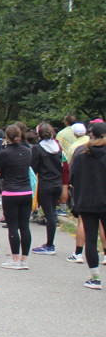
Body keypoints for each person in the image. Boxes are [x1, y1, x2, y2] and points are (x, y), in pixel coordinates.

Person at [69, 121, 106, 290]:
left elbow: (73, 178)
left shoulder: (81, 153)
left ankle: (95, 277)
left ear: (91, 135)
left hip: (87, 201)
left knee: (90, 240)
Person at [0, 124, 32, 269]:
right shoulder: (28, 151)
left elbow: (0, 172)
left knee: (13, 227)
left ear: (7, 136)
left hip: (10, 191)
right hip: (26, 191)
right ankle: (24, 259)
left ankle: (15, 259)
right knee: (25, 226)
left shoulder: (5, 153)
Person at [31, 123, 63, 255]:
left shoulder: (38, 148)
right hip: (57, 183)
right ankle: (50, 243)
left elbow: (33, 168)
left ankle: (50, 245)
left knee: (49, 215)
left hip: (45, 184)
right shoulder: (58, 147)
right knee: (52, 213)